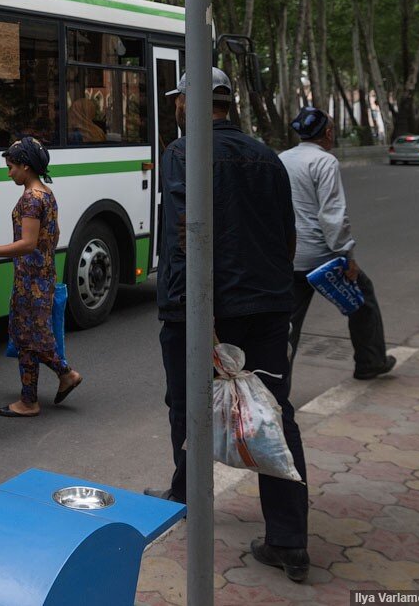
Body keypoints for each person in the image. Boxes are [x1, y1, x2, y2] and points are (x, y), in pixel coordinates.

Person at [150, 68, 309, 582]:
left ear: (188, 104)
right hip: (267, 304)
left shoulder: (181, 153)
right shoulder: (267, 156)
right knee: (275, 413)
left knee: (186, 404)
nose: (176, 106)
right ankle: (288, 540)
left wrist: (196, 309)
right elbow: (288, 236)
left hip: (202, 311)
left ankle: (185, 493)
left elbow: (184, 234)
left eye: (178, 99)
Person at [280, 106, 397, 380]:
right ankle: (370, 362)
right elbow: (333, 215)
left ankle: (276, 391)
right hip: (322, 259)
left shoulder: (282, 158)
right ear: (328, 133)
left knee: (288, 326)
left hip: (289, 257)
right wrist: (347, 256)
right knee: (362, 301)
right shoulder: (325, 162)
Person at [0, 137, 82, 418]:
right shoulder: (46, 193)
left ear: (26, 166)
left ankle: (64, 374)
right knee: (27, 336)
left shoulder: (32, 199)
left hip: (31, 279)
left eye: (11, 167)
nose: (9, 173)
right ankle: (30, 399)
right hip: (40, 274)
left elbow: (27, 243)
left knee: (29, 337)